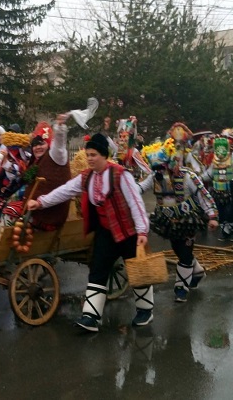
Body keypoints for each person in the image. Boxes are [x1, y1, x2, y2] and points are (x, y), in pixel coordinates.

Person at [28, 133, 153, 332]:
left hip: (129, 232)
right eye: (88, 154)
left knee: (138, 271)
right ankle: (91, 317)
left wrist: (142, 231)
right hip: (106, 231)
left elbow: (136, 203)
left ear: (104, 155)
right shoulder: (87, 176)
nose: (90, 158)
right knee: (98, 270)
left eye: (94, 154)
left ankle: (145, 310)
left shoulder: (121, 175)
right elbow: (66, 190)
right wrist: (41, 201)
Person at [147, 125, 219, 303]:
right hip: (169, 221)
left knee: (185, 253)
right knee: (178, 250)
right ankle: (198, 271)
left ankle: (181, 288)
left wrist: (212, 215)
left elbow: (203, 195)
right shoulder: (157, 177)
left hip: (188, 220)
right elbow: (139, 187)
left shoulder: (188, 176)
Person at [28, 116, 72, 230]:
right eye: (35, 145)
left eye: (41, 144)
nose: (37, 147)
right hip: (34, 210)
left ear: (48, 144)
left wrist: (60, 129)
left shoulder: (55, 157)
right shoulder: (35, 163)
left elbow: (59, 146)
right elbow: (24, 179)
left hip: (49, 215)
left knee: (10, 213)